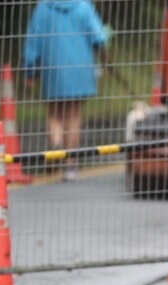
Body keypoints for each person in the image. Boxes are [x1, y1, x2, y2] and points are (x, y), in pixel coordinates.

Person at [21, 0, 109, 181]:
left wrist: (29, 69)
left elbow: (33, 40)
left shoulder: (43, 7)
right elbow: (99, 37)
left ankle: (56, 146)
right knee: (74, 114)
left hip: (53, 65)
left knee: (54, 112)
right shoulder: (83, 6)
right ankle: (70, 164)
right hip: (80, 66)